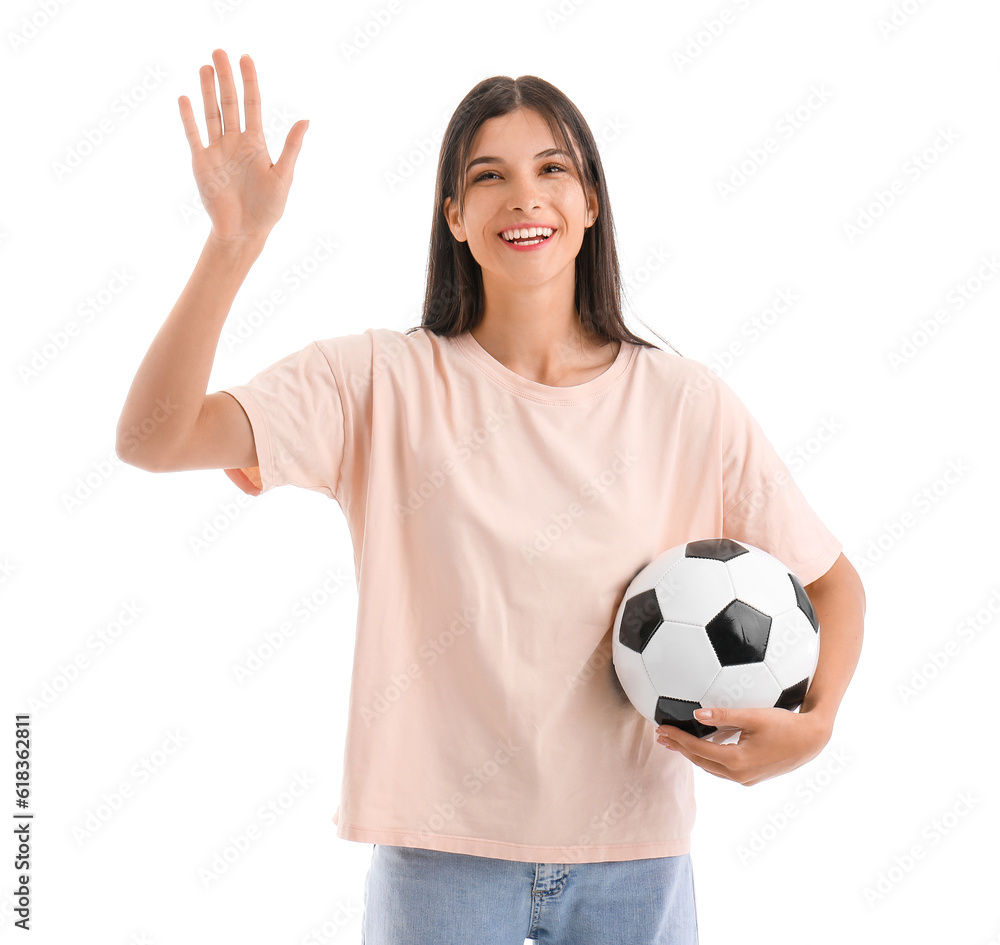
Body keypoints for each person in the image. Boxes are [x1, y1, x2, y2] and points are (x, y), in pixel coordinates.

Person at [116, 49, 865, 945]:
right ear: (454, 217)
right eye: (489, 177)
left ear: (590, 203)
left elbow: (833, 582)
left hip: (634, 857)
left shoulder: (686, 403)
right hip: (440, 857)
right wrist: (232, 244)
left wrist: (815, 725)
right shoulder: (377, 382)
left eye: (553, 169)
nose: (525, 196)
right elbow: (153, 438)